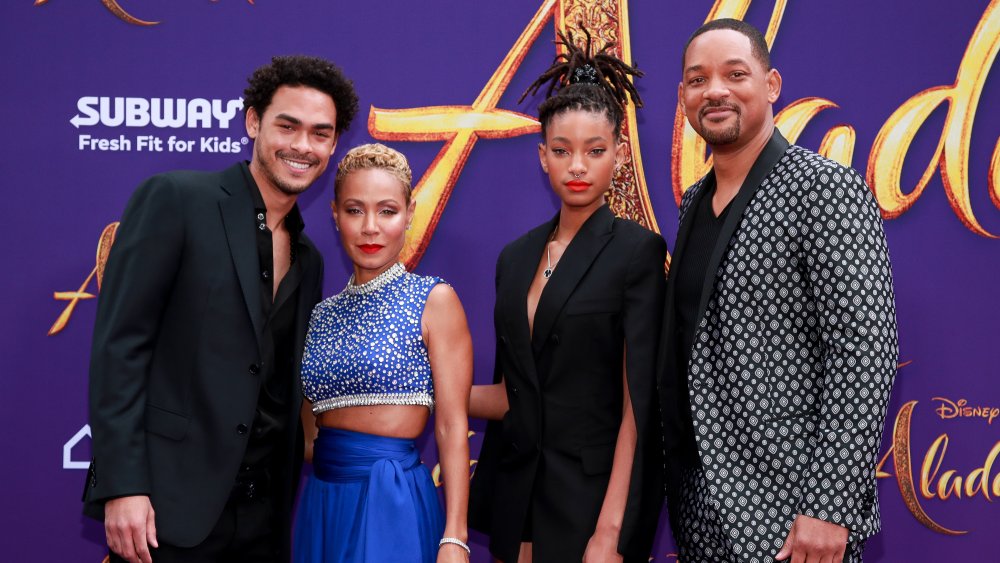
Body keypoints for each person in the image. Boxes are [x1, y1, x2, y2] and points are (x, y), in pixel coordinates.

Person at [83, 55, 359, 563]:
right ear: (253, 122)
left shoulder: (311, 258)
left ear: (334, 143)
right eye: (287, 126)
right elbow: (120, 348)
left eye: (321, 133)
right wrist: (122, 486)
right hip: (166, 511)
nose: (303, 146)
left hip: (265, 518)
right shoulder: (177, 200)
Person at [657, 18, 898, 563]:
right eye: (697, 80)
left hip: (793, 513)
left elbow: (864, 353)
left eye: (734, 74)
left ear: (771, 85)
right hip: (702, 509)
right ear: (683, 97)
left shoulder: (825, 188)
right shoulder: (694, 201)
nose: (714, 90)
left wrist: (830, 505)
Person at [468, 28, 666, 563]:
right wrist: (422, 390)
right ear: (542, 158)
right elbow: (512, 391)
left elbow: (636, 404)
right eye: (562, 150)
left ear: (619, 156)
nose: (577, 166)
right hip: (515, 494)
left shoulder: (637, 253)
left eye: (594, 150)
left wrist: (611, 530)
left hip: (590, 503)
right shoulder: (515, 257)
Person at [294, 143, 473, 563]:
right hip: (323, 499)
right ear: (335, 214)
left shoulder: (433, 299)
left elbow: (451, 426)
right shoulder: (320, 314)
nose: (370, 227)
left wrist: (455, 536)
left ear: (410, 213)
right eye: (355, 210)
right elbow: (305, 436)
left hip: (392, 500)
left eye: (387, 211)